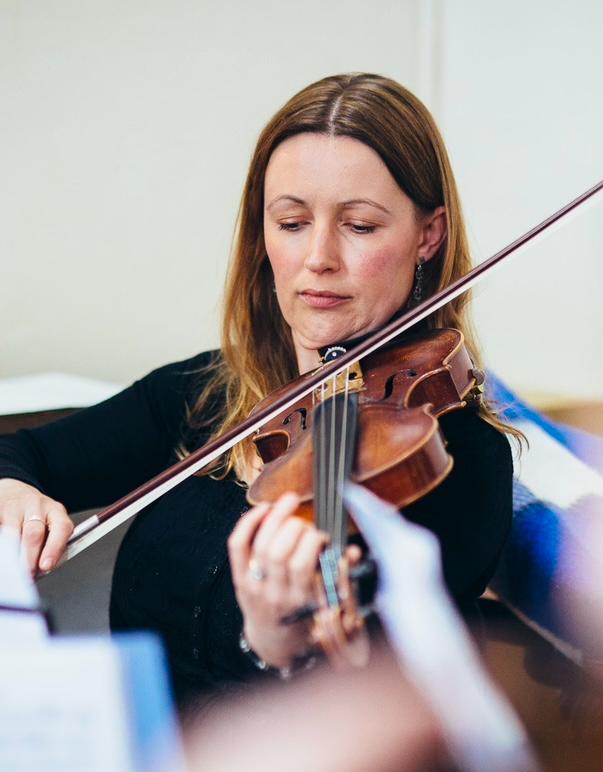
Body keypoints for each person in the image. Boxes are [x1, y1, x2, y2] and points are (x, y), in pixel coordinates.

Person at [0, 73, 515, 708]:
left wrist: (279, 643)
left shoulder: (451, 461)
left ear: (427, 237)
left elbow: (378, 700)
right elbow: (23, 456)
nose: (319, 257)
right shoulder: (207, 394)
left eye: (358, 225)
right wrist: (13, 490)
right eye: (292, 221)